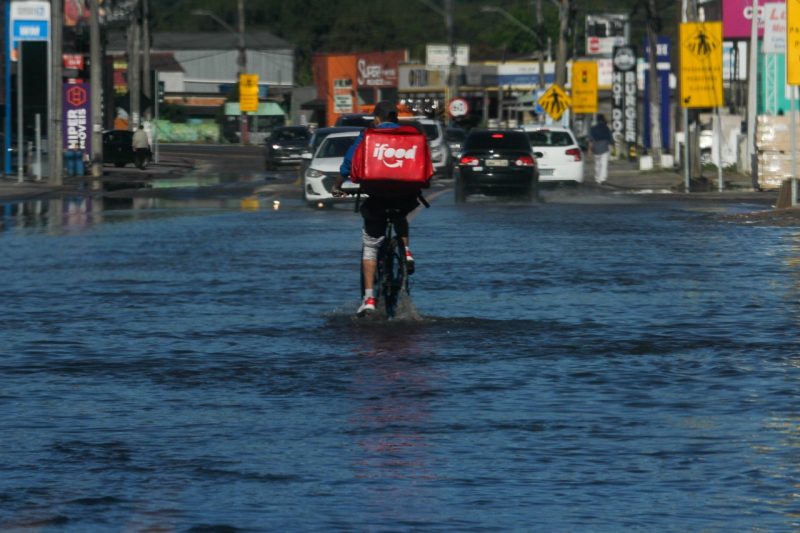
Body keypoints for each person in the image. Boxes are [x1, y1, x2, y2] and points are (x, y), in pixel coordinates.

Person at [332, 101, 422, 316]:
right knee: (402, 213)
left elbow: (348, 164)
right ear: (396, 119)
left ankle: (369, 298)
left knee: (371, 246)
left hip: (377, 197)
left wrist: (337, 185)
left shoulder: (368, 136)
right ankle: (406, 252)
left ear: (378, 119)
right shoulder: (411, 135)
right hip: (404, 196)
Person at [588, 114, 612, 184]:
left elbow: (591, 140)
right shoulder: (606, 128)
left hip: (596, 148)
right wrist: (612, 146)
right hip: (604, 148)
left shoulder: (593, 128)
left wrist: (589, 150)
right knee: (603, 164)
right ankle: (602, 179)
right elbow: (610, 139)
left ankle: (597, 178)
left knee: (597, 164)